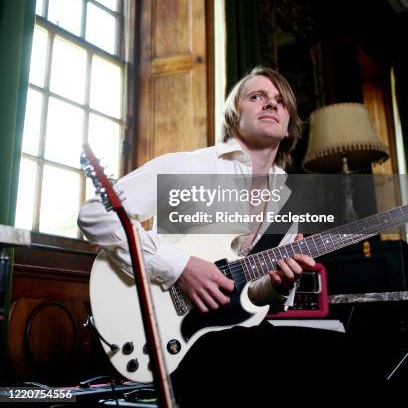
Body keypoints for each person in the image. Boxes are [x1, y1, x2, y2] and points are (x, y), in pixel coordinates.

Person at [78, 66, 390, 405]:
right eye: (257, 96)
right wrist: (180, 267)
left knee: (356, 357)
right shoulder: (191, 168)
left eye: (280, 101)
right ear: (233, 115)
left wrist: (279, 285)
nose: (271, 104)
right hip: (175, 340)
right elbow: (95, 214)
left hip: (233, 335)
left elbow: (254, 297)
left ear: (288, 127)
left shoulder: (287, 202)